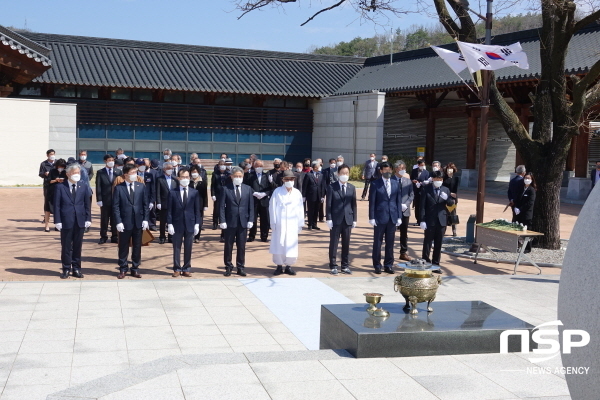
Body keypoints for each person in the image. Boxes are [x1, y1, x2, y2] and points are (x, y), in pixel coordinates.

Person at [54, 163, 91, 279]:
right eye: (75, 173)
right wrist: (57, 221)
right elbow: (57, 205)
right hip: (66, 220)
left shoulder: (83, 186)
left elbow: (87, 204)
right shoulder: (60, 187)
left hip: (80, 220)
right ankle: (66, 268)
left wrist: (88, 219)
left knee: (77, 246)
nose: (77, 175)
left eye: (78, 173)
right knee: (66, 246)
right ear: (68, 174)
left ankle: (76, 268)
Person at [113, 164, 149, 279]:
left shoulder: (141, 186)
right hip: (124, 222)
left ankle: (135, 268)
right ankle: (123, 268)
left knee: (137, 246)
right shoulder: (119, 188)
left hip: (138, 221)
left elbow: (145, 205)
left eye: (135, 172)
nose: (135, 174)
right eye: (132, 172)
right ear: (125, 174)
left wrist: (146, 219)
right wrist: (118, 221)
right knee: (123, 246)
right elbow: (116, 206)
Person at [368, 162, 403, 274]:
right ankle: (377, 265)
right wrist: (372, 217)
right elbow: (372, 202)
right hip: (379, 217)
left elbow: (398, 201)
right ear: (381, 171)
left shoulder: (395, 183)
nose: (387, 172)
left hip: (392, 217)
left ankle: (388, 265)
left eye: (389, 170)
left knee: (390, 243)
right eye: (385, 170)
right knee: (378, 242)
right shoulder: (375, 184)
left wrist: (399, 216)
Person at [219, 167, 254, 277]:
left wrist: (251, 219)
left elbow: (251, 206)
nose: (238, 178)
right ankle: (228, 266)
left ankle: (240, 267)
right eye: (236, 176)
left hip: (243, 222)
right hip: (230, 222)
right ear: (232, 176)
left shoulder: (248, 189)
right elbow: (221, 207)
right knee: (228, 245)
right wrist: (222, 220)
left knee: (241, 246)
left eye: (240, 176)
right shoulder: (226, 189)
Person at [167, 168, 201, 277]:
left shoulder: (194, 192)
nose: (185, 179)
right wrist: (170, 224)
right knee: (177, 247)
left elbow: (197, 210)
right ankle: (177, 268)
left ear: (190, 178)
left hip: (190, 223)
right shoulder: (172, 192)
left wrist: (197, 224)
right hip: (177, 223)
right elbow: (169, 210)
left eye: (187, 177)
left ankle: (186, 268)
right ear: (178, 178)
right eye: (183, 177)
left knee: (188, 246)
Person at [270, 170, 304, 276]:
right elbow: (272, 207)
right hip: (280, 223)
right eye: (287, 179)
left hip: (292, 223)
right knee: (278, 244)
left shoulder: (297, 193)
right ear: (283, 180)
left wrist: (300, 223)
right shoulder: (277, 192)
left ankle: (289, 266)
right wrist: (273, 222)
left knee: (291, 244)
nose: (289, 181)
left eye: (291, 179)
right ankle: (279, 265)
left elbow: (300, 209)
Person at [420, 170, 455, 271]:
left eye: (440, 179)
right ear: (433, 179)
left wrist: (447, 199)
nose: (438, 180)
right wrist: (422, 220)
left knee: (438, 243)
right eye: (436, 179)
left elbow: (451, 205)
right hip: (429, 219)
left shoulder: (446, 190)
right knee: (427, 243)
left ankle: (436, 265)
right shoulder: (426, 189)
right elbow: (422, 206)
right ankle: (425, 262)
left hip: (441, 220)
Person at [326, 164, 357, 275]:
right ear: (338, 174)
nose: (345, 175)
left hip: (348, 219)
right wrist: (328, 218)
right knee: (334, 243)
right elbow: (328, 204)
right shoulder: (331, 187)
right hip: (335, 220)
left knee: (346, 243)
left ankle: (345, 265)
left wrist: (354, 219)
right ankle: (333, 265)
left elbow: (354, 205)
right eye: (342, 173)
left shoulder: (352, 188)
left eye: (346, 173)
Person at [96, 155, 122, 244]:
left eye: (112, 160)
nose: (111, 161)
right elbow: (98, 186)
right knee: (104, 219)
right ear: (105, 161)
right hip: (105, 199)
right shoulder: (100, 172)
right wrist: (99, 199)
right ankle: (103, 236)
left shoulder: (118, 172)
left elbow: (120, 185)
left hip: (116, 199)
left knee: (115, 218)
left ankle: (114, 236)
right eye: (109, 160)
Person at [392, 160, 414, 261]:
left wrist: (406, 204)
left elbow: (411, 195)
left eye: (404, 168)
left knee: (404, 233)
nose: (403, 170)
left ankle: (403, 252)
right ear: (396, 169)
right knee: (391, 232)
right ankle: (389, 252)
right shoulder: (390, 180)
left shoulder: (407, 181)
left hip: (405, 210)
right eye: (401, 168)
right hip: (393, 211)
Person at [248, 159, 272, 242]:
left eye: (260, 166)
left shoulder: (267, 176)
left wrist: (265, 193)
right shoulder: (250, 176)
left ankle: (264, 236)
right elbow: (247, 186)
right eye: (257, 166)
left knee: (265, 219)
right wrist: (254, 193)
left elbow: (270, 188)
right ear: (254, 166)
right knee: (253, 219)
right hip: (253, 200)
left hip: (264, 200)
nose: (259, 167)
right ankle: (251, 236)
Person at [157, 162, 179, 244]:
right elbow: (158, 192)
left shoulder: (175, 179)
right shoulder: (160, 179)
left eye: (171, 168)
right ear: (164, 169)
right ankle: (162, 236)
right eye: (168, 168)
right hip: (163, 203)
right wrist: (158, 202)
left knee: (172, 221)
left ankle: (171, 236)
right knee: (163, 221)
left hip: (173, 203)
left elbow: (177, 191)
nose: (170, 170)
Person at [514, 173, 536, 253]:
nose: (527, 179)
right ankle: (518, 245)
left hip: (527, 214)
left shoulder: (532, 190)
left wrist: (521, 209)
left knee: (527, 231)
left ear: (531, 180)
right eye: (525, 178)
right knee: (517, 229)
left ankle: (527, 248)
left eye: (528, 178)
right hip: (518, 213)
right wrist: (516, 207)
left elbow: (530, 203)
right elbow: (517, 199)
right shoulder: (521, 188)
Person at [302, 160, 325, 230]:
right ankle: (310, 224)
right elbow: (305, 186)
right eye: (318, 166)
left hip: (318, 195)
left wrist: (322, 196)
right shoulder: (308, 175)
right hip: (311, 196)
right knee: (311, 210)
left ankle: (314, 224)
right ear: (314, 167)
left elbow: (322, 186)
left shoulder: (321, 175)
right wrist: (304, 196)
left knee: (316, 210)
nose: (319, 167)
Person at [46, 159, 68, 232]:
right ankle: (47, 225)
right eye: (60, 166)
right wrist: (56, 180)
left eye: (63, 166)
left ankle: (58, 225)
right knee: (48, 209)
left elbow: (68, 181)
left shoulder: (65, 172)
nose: (61, 168)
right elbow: (48, 181)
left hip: (62, 192)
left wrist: (63, 180)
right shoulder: (52, 171)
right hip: (51, 191)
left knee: (60, 208)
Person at [189, 164, 209, 243]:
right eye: (193, 172)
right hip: (190, 204)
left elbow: (205, 194)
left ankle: (197, 237)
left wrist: (205, 205)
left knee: (199, 221)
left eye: (196, 172)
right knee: (190, 221)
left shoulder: (202, 182)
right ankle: (190, 236)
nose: (194, 173)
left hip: (199, 204)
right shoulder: (188, 181)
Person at [211, 159, 230, 237]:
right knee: (216, 209)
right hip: (218, 194)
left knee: (225, 209)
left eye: (223, 164)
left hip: (226, 194)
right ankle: (215, 223)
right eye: (221, 165)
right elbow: (213, 185)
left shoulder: (228, 173)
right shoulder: (215, 174)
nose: (222, 166)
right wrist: (213, 194)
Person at [40, 149, 56, 231]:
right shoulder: (43, 164)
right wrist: (44, 174)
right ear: (47, 155)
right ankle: (46, 219)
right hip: (47, 186)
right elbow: (40, 174)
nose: (52, 155)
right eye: (50, 154)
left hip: (56, 185)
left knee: (57, 203)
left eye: (53, 154)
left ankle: (57, 223)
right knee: (47, 203)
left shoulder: (57, 163)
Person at [443, 162, 460, 237]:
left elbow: (455, 190)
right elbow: (442, 188)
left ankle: (454, 230)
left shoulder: (456, 178)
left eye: (451, 169)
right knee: (444, 214)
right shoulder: (443, 178)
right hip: (445, 197)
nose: (449, 170)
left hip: (453, 199)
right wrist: (449, 193)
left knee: (453, 214)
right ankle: (443, 230)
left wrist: (453, 196)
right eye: (448, 169)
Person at [410, 159, 430, 225]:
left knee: (423, 206)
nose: (422, 166)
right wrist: (413, 181)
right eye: (421, 165)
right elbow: (411, 178)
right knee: (417, 206)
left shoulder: (426, 172)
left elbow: (427, 181)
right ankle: (418, 220)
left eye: (423, 165)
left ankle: (423, 219)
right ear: (418, 165)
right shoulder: (414, 171)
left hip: (423, 190)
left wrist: (421, 183)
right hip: (415, 190)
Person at [147, 159, 160, 231]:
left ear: (150, 164)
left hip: (152, 193)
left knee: (152, 211)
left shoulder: (155, 172)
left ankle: (152, 224)